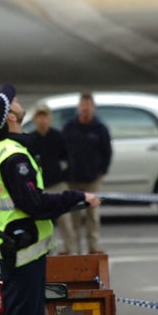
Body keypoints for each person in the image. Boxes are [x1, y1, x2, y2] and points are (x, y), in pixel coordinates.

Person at [0, 84, 100, 315]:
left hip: (24, 252)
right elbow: (34, 203)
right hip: (23, 256)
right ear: (10, 116)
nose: (19, 101)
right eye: (14, 101)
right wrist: (77, 197)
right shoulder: (13, 156)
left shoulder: (3, 149)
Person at [61, 92, 112, 255]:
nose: (85, 109)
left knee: (93, 216)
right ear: (79, 107)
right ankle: (74, 248)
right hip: (73, 179)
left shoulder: (100, 129)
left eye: (89, 106)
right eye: (83, 105)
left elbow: (107, 152)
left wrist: (102, 171)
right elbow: (62, 150)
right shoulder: (70, 126)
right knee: (74, 217)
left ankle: (93, 246)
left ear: (93, 108)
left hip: (92, 179)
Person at [23, 104, 73, 254]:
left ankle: (70, 249)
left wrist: (64, 176)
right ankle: (44, 249)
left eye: (45, 116)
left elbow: (68, 159)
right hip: (40, 186)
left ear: (50, 118)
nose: (42, 120)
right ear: (34, 119)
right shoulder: (31, 139)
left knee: (65, 220)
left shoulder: (58, 137)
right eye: (39, 116)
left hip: (57, 184)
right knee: (42, 221)